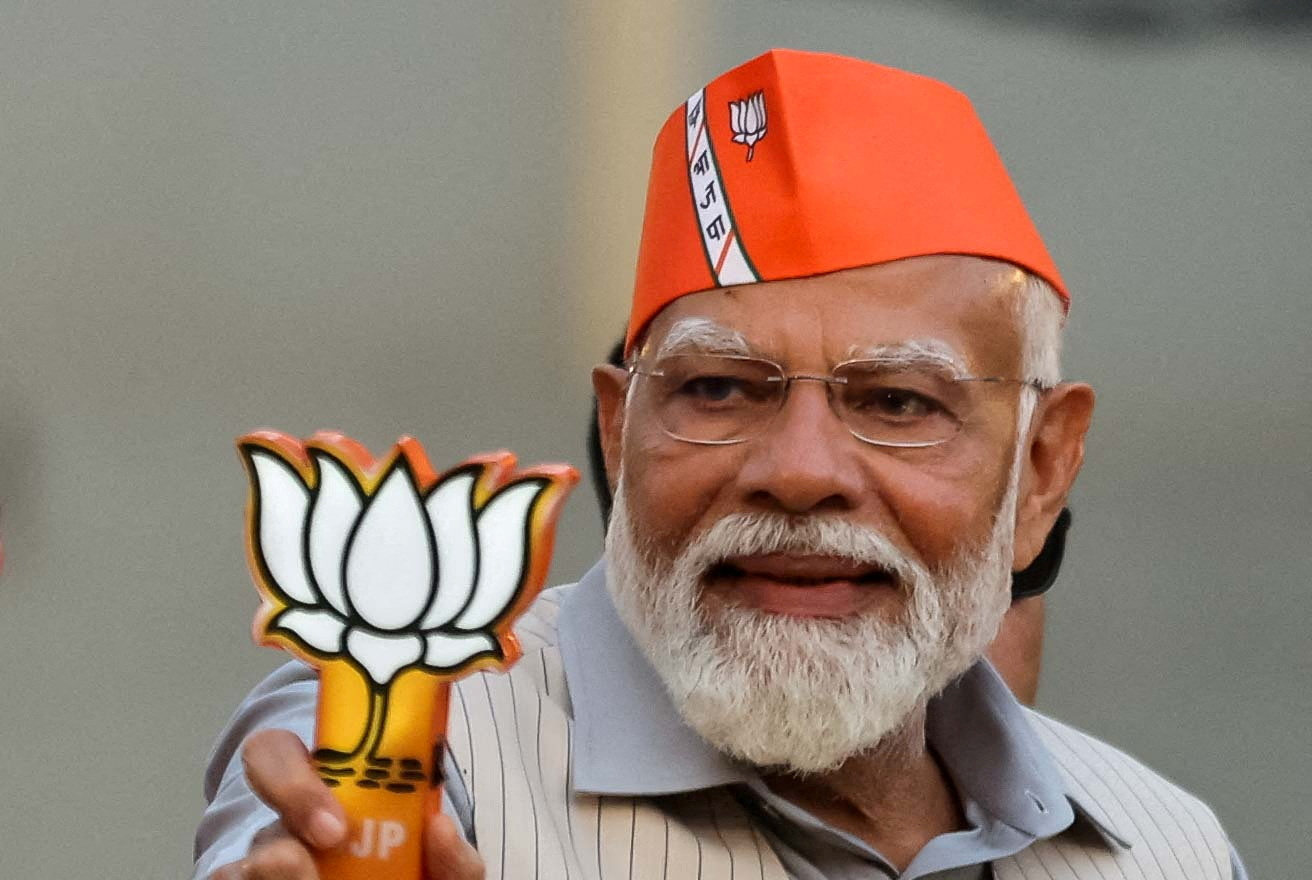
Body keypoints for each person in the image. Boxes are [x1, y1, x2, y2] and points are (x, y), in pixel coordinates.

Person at [195, 49, 1246, 879]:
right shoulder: (423, 740)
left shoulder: (1166, 849)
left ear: (1043, 469)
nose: (799, 471)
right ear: (619, 432)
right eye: (719, 390)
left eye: (896, 402)